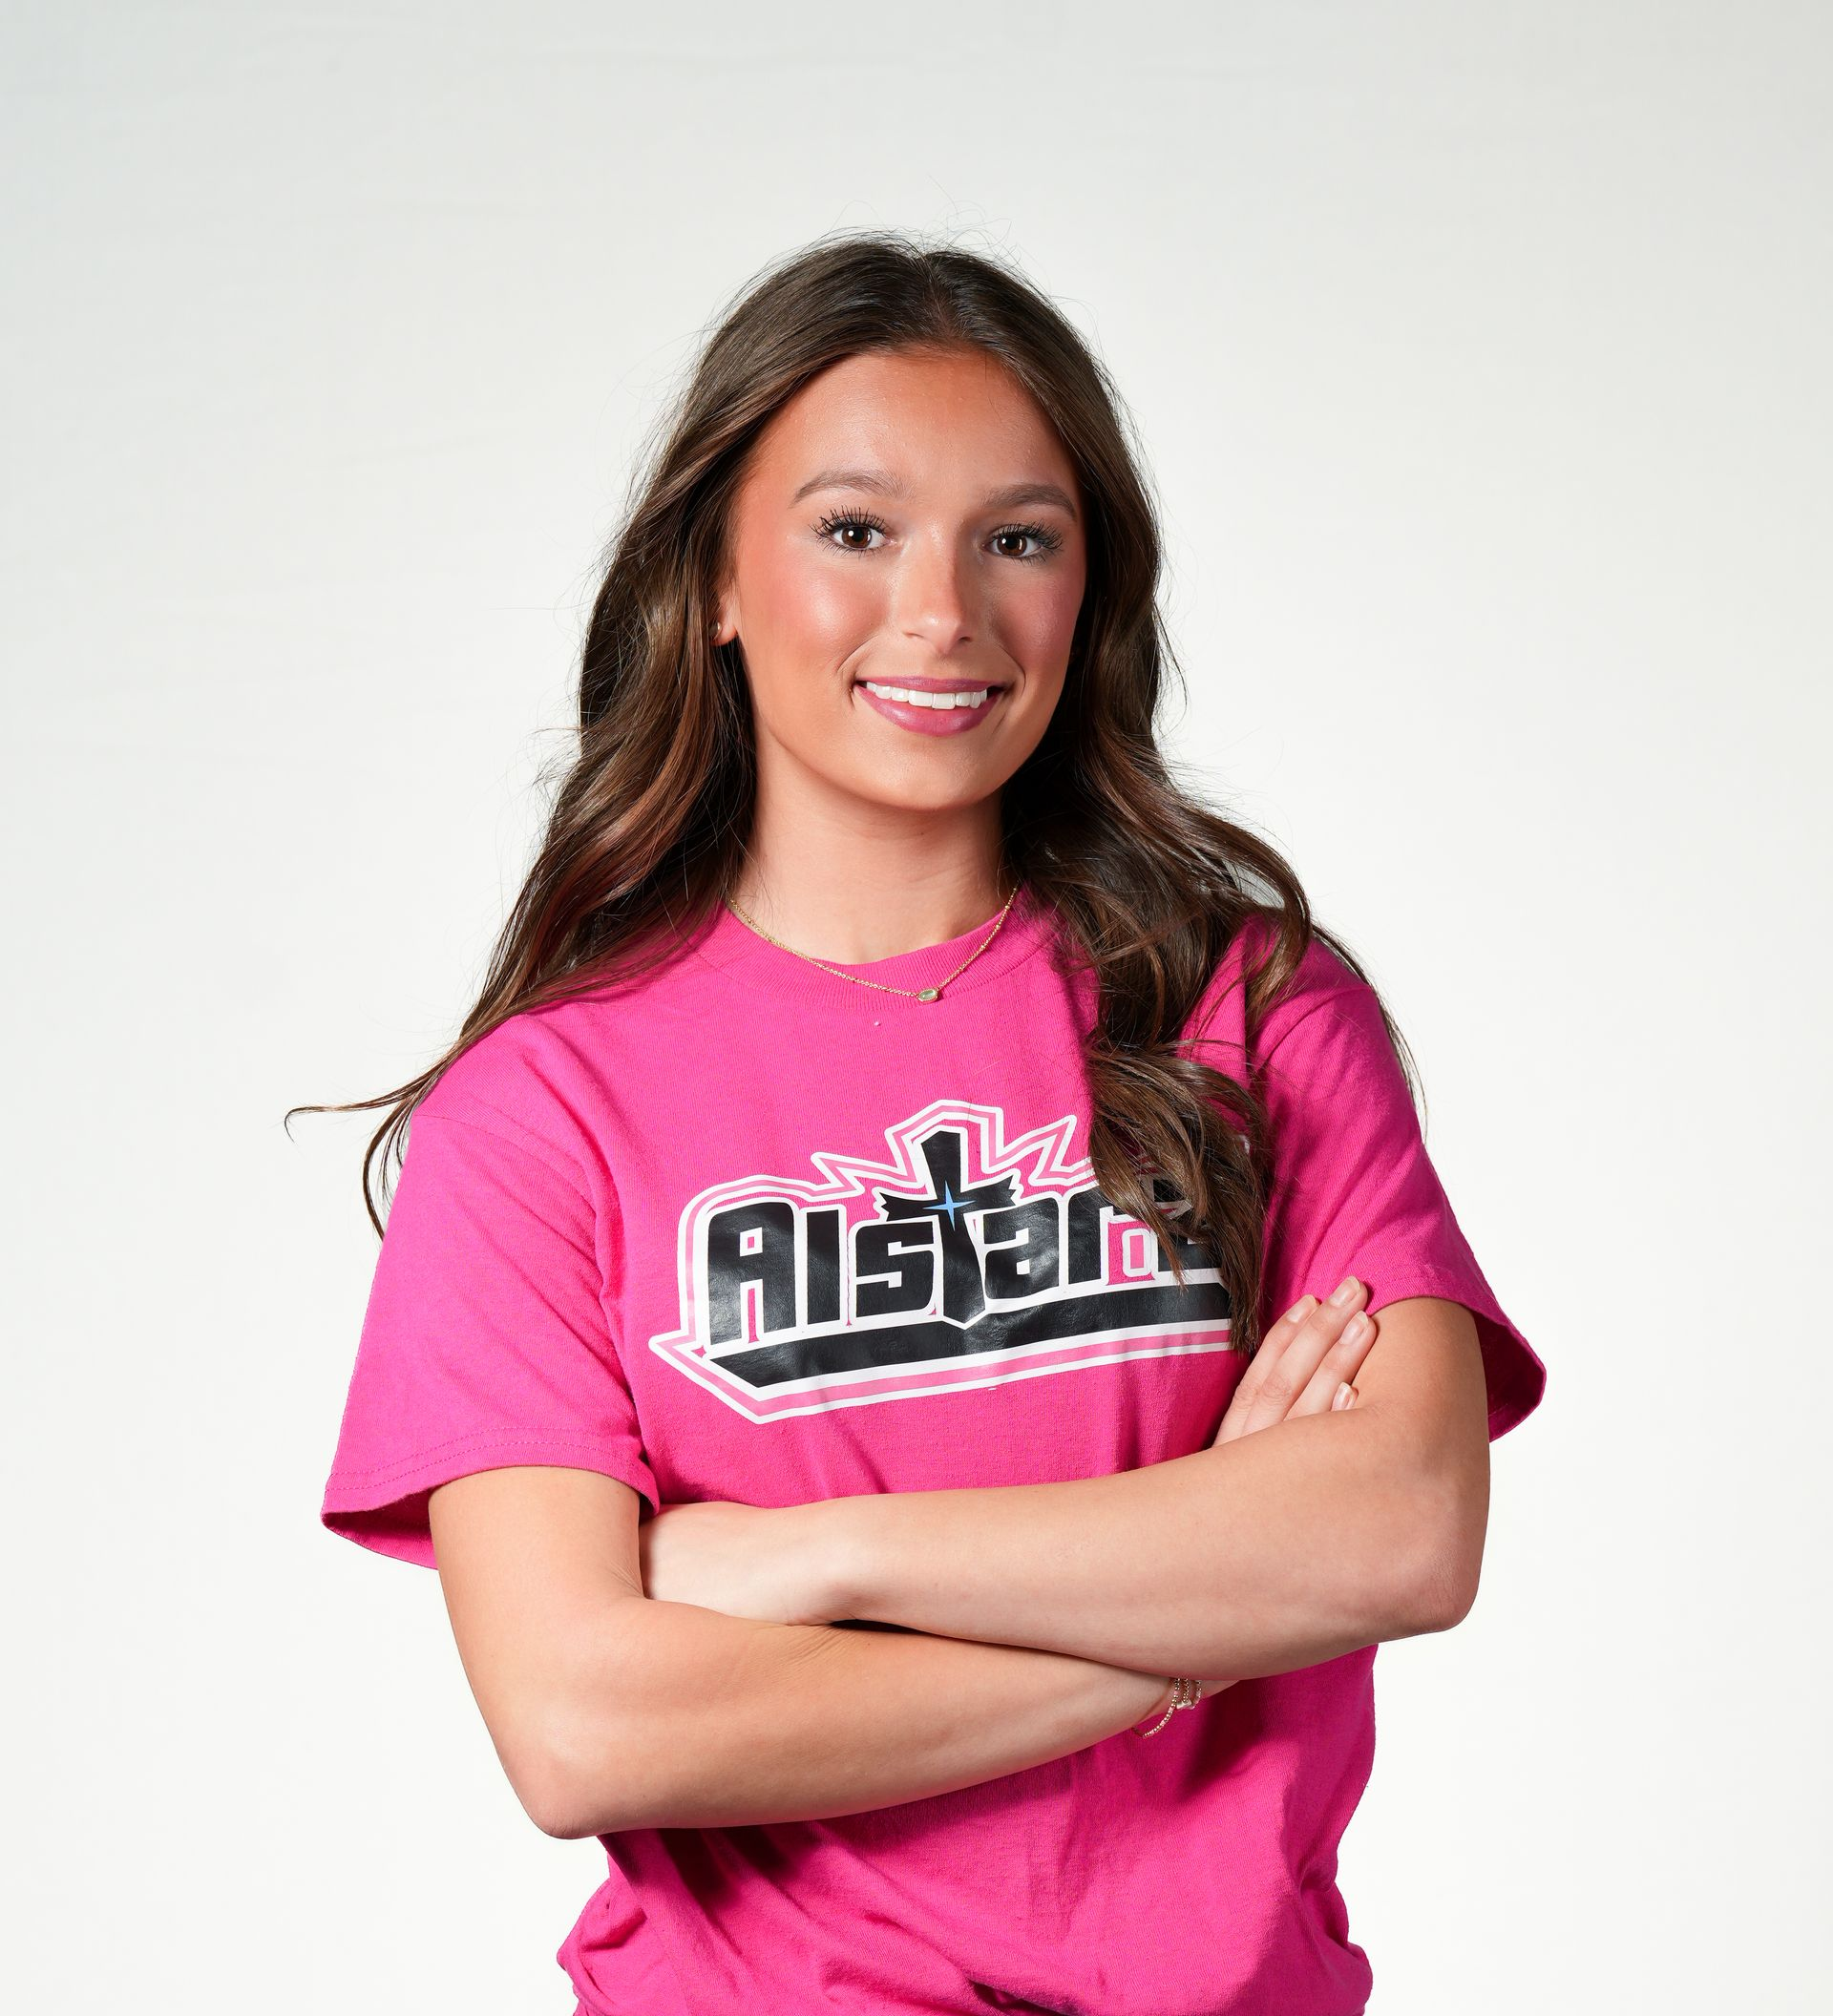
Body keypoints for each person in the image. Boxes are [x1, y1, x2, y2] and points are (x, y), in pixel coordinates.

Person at [306, 230, 1547, 2016]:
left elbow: (1403, 1535)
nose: (944, 612)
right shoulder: (545, 1111)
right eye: (855, 529)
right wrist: (1193, 1620)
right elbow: (588, 1723)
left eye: (1018, 539)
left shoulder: (1255, 1013)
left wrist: (817, 1559)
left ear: (1087, 589)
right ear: (713, 580)